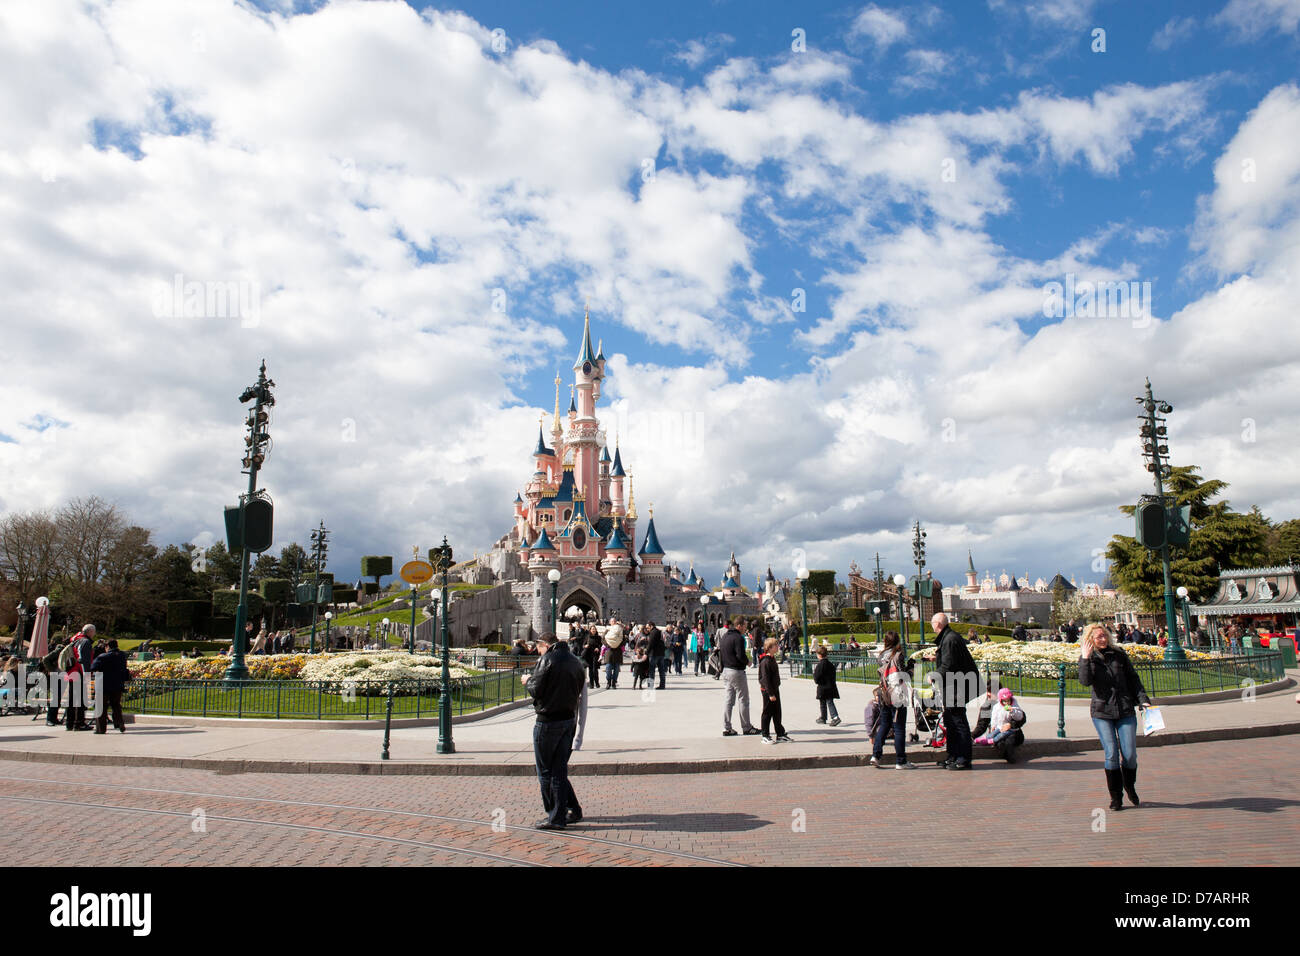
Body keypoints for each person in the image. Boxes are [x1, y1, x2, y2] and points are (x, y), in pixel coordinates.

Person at [1078, 623, 1151, 811]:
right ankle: (1116, 797)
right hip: (1102, 711)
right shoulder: (1088, 658)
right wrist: (1085, 658)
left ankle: (1129, 785)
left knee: (1130, 755)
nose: (1102, 639)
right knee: (1111, 752)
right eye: (1098, 637)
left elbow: (1133, 678)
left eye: (1104, 635)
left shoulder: (1119, 654)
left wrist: (1143, 699)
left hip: (1125, 708)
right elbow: (1085, 682)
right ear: (1090, 640)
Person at [522, 632, 587, 830]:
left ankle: (554, 816)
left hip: (548, 722)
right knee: (559, 771)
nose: (537, 651)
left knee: (546, 772)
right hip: (568, 721)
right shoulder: (576, 662)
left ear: (544, 645)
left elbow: (537, 689)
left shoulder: (547, 659)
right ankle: (571, 810)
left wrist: (527, 680)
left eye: (538, 647)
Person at [931, 612, 979, 771]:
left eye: (932, 623)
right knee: (950, 722)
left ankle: (964, 758)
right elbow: (949, 660)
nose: (932, 626)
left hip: (957, 687)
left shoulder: (950, 639)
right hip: (952, 687)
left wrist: (933, 676)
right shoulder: (948, 637)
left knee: (958, 723)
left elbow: (949, 665)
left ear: (938, 624)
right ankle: (952, 756)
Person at [870, 632, 916, 769]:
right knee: (899, 727)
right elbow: (903, 676)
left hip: (885, 693)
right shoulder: (897, 655)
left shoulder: (881, 656)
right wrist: (912, 668)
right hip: (897, 695)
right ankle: (900, 760)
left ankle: (876, 755)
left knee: (884, 725)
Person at [719, 619, 759, 737]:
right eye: (744, 626)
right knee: (743, 699)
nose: (745, 629)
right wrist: (748, 662)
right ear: (739, 626)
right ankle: (746, 727)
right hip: (736, 671)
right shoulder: (738, 638)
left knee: (728, 700)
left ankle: (727, 728)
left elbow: (721, 654)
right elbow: (740, 655)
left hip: (726, 670)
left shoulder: (725, 636)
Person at [91, 639, 130, 734]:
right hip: (118, 684)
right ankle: (120, 723)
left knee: (101, 707)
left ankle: (101, 729)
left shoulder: (103, 657)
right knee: (116, 705)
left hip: (104, 685)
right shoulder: (122, 656)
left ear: (107, 646)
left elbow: (93, 667)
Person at [757, 637, 789, 744]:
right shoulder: (765, 661)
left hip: (774, 689)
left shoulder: (771, 658)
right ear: (769, 648)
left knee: (777, 712)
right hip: (768, 691)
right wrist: (770, 693)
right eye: (775, 645)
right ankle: (765, 735)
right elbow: (765, 678)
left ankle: (780, 734)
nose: (778, 647)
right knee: (767, 712)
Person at [981, 688, 1026, 763]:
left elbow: (1021, 718)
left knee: (1009, 740)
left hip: (1013, 732)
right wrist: (993, 726)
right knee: (999, 741)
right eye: (1004, 701)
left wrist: (1011, 720)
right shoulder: (995, 707)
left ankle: (1010, 757)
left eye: (1008, 700)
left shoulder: (1014, 706)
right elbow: (992, 719)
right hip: (999, 729)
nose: (1006, 703)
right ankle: (1002, 752)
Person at [812, 643, 841, 726]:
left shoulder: (820, 665)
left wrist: (817, 681)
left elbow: (816, 676)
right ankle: (823, 717)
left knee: (825, 703)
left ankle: (834, 717)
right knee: (828, 701)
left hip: (823, 687)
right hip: (831, 686)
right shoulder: (830, 664)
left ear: (819, 655)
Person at [602, 619, 625, 689]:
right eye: (612, 621)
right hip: (609, 651)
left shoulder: (620, 629)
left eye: (615, 621)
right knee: (608, 668)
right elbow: (603, 639)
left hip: (617, 651)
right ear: (610, 622)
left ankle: (614, 682)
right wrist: (608, 645)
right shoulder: (607, 630)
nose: (614, 622)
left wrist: (618, 644)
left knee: (616, 669)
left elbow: (623, 639)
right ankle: (608, 681)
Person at [647, 622, 667, 690]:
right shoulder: (659, 631)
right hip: (661, 653)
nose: (647, 629)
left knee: (651, 670)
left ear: (651, 626)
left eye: (648, 627)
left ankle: (650, 685)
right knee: (661, 670)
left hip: (654, 654)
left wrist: (646, 653)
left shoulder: (653, 632)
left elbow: (650, 644)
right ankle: (662, 685)